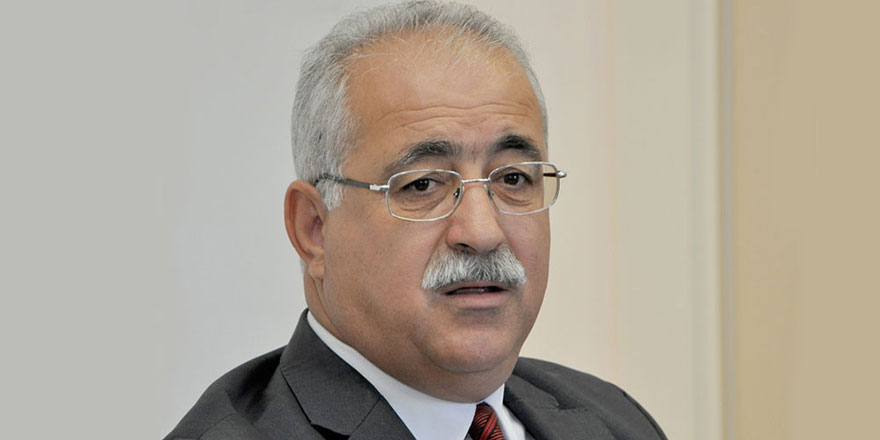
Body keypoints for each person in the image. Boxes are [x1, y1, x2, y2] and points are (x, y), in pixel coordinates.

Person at [165, 1, 666, 439]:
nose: (482, 232)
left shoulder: (614, 419)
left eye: (513, 178)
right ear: (314, 229)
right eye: (423, 185)